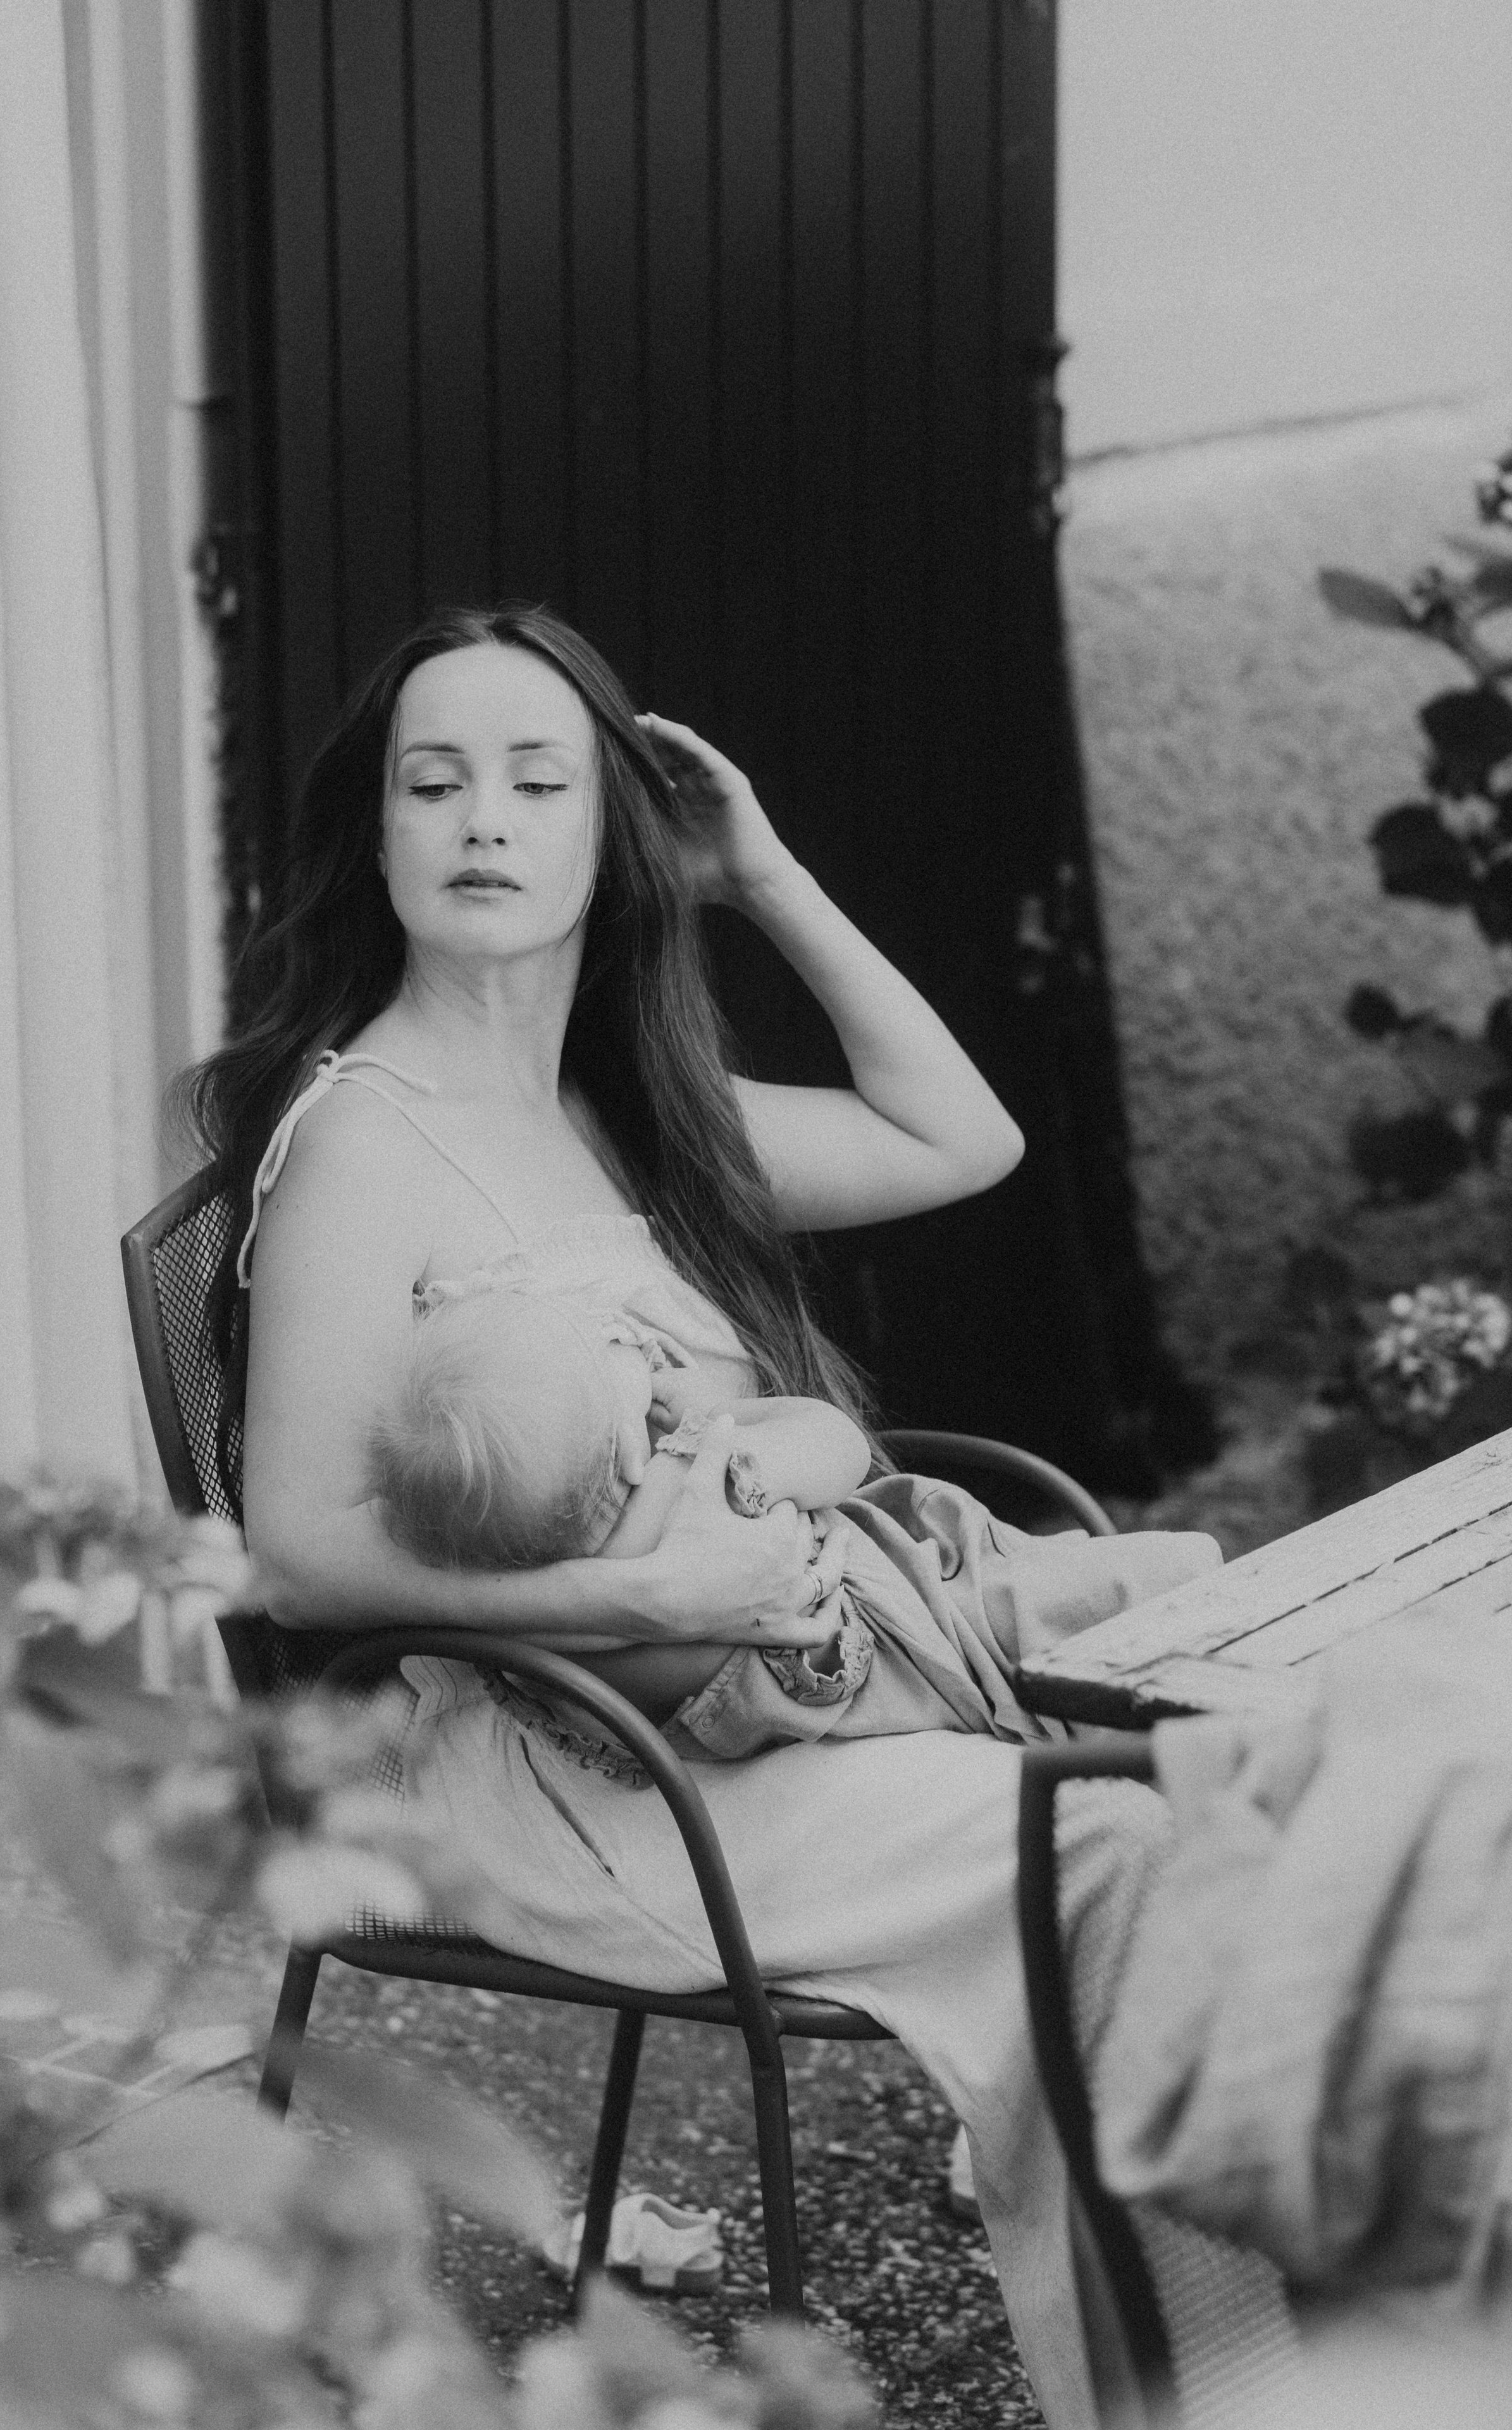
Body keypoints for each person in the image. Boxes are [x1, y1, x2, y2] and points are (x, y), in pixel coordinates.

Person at [185, 604, 1284, 2428]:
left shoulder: (614, 1116)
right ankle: (1209, 2384)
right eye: (432, 782)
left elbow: (962, 1140)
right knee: (1111, 1861)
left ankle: (1267, 2356)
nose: (482, 820)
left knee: (1226, 1802)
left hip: (735, 1709)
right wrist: (657, 1576)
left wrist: (763, 878)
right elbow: (295, 1556)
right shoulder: (362, 1144)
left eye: (539, 782)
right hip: (555, 1764)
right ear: (373, 838)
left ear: (612, 835)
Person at [369, 1266, 1220, 1760]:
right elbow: (840, 1440)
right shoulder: (695, 1464)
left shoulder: (582, 1639)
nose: (645, 1353)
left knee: (1147, 1634)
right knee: (1178, 1582)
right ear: (632, 1445)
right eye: (620, 1349)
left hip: (909, 1673)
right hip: (946, 1614)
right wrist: (734, 1451)